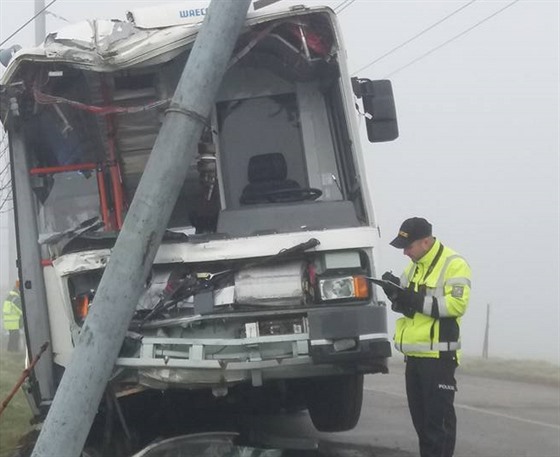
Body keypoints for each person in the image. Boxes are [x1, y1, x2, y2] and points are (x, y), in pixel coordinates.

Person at [381, 217, 471, 457]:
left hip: (439, 356)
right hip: (415, 355)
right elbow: (408, 306)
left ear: (426, 242)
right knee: (422, 425)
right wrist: (394, 292)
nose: (405, 253)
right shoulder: (414, 266)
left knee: (437, 425)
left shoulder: (454, 264)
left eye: (408, 247)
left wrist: (413, 299)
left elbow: (455, 306)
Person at [3, 280, 23, 352]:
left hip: (9, 323)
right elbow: (21, 311)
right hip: (14, 323)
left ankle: (10, 352)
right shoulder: (15, 299)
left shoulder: (9, 297)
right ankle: (14, 352)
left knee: (11, 339)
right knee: (15, 338)